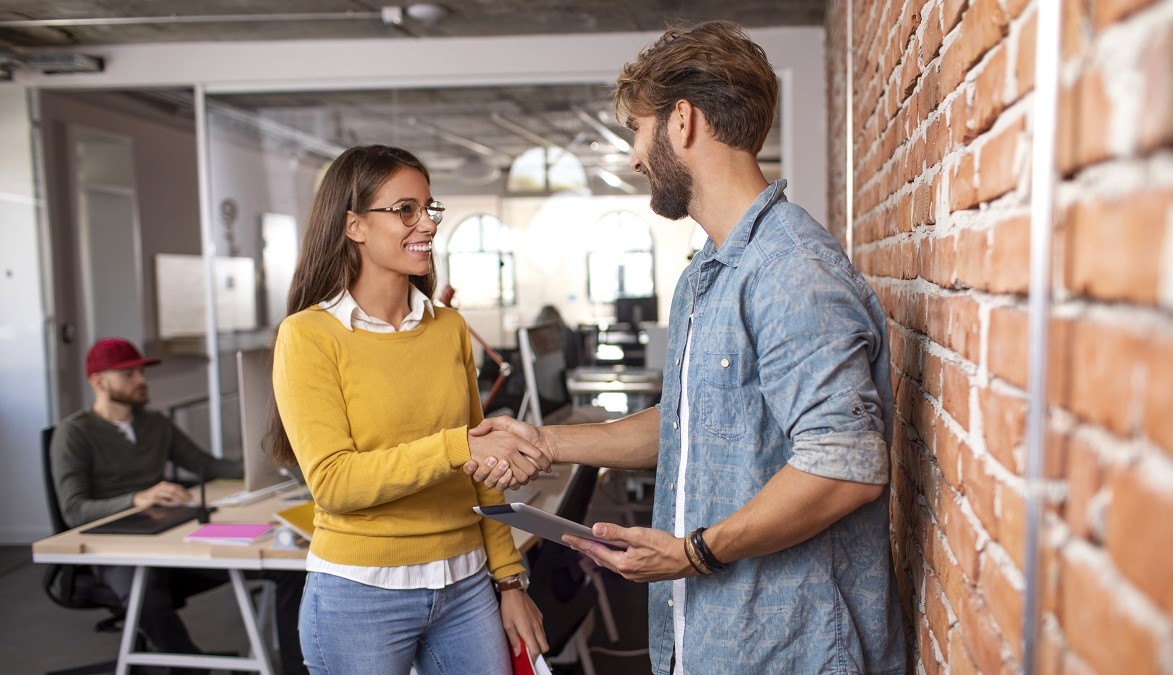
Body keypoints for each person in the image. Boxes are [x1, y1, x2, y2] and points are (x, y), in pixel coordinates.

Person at [467, 20, 906, 674]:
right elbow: (687, 425)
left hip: (793, 651)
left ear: (681, 122)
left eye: (636, 131)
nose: (634, 158)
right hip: (708, 639)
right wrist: (547, 442)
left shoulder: (792, 272)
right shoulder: (707, 274)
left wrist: (693, 552)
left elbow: (843, 469)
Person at [264, 144, 549, 674]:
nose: (428, 225)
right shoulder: (308, 336)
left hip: (465, 586)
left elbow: (480, 472)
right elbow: (335, 483)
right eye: (405, 210)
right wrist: (457, 445)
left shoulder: (448, 328)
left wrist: (509, 580)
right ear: (354, 226)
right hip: (359, 594)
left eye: (429, 208)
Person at [50, 337, 307, 674]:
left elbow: (207, 465)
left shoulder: (154, 423)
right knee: (148, 597)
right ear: (98, 381)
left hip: (169, 531)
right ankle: (189, 665)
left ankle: (296, 670)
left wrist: (282, 464)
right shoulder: (74, 433)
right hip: (114, 545)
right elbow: (74, 509)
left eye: (141, 372)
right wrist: (135, 499)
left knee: (285, 567)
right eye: (128, 375)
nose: (141, 380)